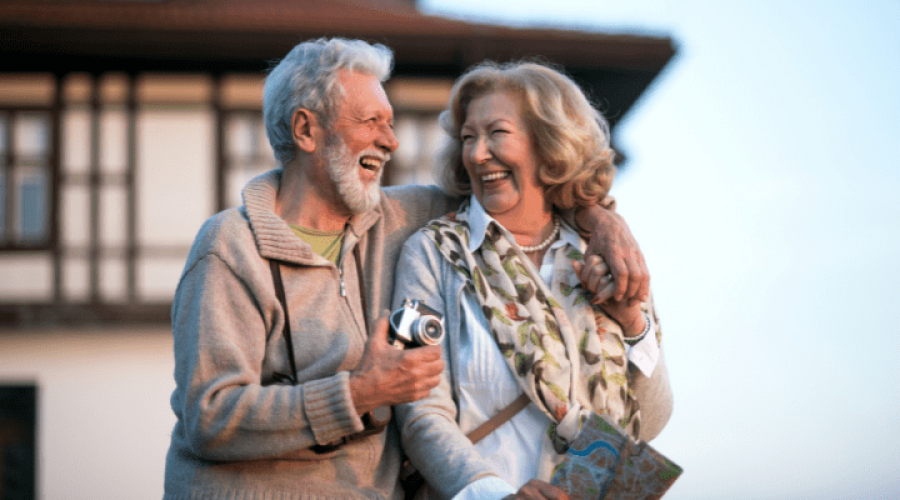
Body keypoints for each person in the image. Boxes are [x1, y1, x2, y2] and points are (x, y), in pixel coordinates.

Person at [163, 38, 651, 500]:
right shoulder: (229, 246)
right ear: (306, 130)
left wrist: (603, 220)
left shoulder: (403, 217)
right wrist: (359, 393)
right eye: (371, 121)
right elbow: (210, 417)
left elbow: (519, 190)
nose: (391, 140)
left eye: (391, 122)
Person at [392, 61, 673, 500]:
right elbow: (417, 410)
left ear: (549, 146)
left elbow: (651, 422)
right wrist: (493, 493)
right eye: (468, 138)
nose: (478, 153)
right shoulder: (427, 255)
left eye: (497, 133)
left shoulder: (606, 253)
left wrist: (633, 323)